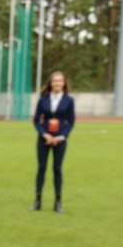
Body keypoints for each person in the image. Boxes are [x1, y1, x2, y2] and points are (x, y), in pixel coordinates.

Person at [31, 70, 75, 213]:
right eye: (55, 81)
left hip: (60, 140)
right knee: (41, 168)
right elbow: (36, 120)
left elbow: (71, 122)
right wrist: (44, 134)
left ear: (64, 83)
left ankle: (58, 202)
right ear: (50, 83)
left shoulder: (69, 100)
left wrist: (61, 136)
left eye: (60, 81)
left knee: (57, 169)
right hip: (44, 139)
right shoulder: (43, 99)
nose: (57, 83)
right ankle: (37, 200)